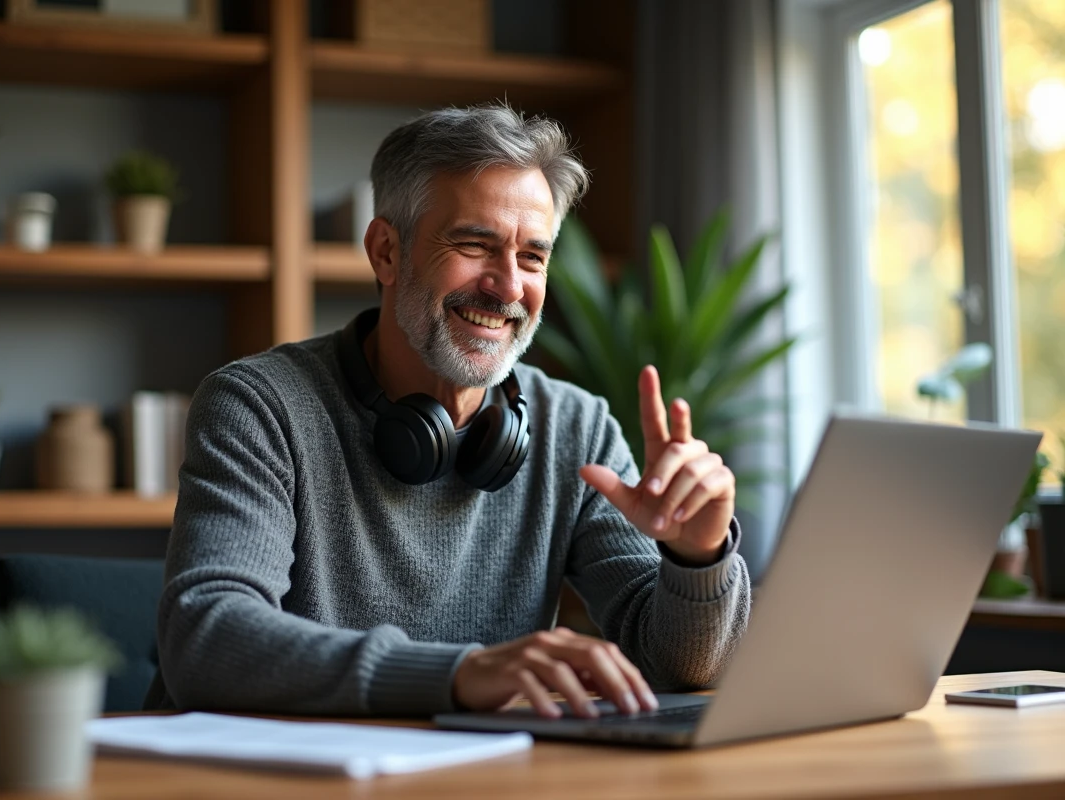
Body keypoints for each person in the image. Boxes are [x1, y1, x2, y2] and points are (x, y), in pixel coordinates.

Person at [147, 103, 750, 720]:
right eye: (474, 245)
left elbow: (685, 669)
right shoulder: (259, 406)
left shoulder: (576, 425)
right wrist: (457, 673)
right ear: (386, 251)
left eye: (534, 257)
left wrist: (697, 557)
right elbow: (206, 639)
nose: (509, 287)